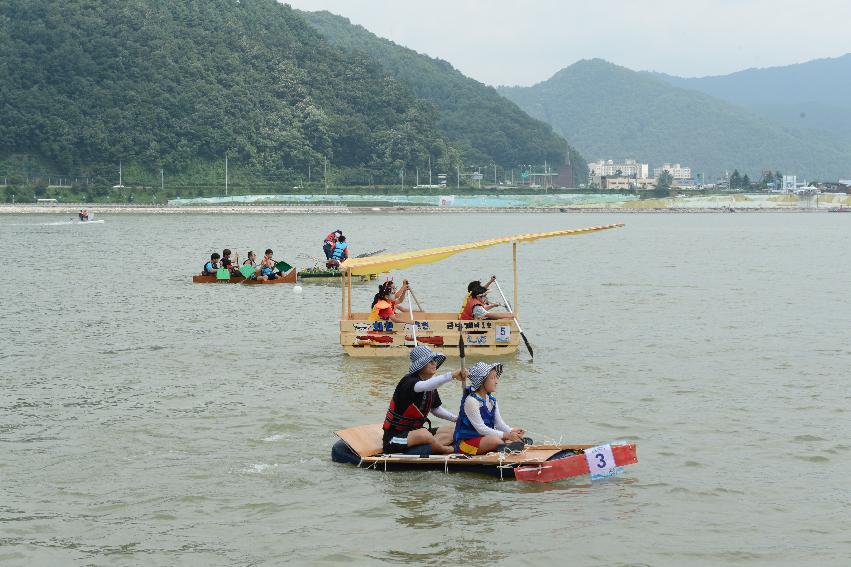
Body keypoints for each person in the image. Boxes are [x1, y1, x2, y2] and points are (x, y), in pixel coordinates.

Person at [382, 345, 468, 455]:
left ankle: (427, 447)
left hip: (415, 433)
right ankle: (444, 449)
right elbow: (424, 386)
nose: (434, 364)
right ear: (420, 365)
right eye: (430, 361)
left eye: (434, 361)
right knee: (423, 434)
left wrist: (457, 419)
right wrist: (453, 375)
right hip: (394, 439)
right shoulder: (409, 381)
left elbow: (436, 409)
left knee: (452, 431)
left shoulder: (430, 386)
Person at [452, 362, 526, 455]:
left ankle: (508, 445)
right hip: (466, 444)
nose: (496, 381)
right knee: (496, 440)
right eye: (492, 378)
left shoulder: (492, 400)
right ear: (482, 381)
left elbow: (499, 424)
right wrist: (507, 435)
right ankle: (505, 446)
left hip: (484, 439)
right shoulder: (471, 401)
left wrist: (512, 432)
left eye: (496, 377)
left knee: (506, 438)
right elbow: (481, 429)